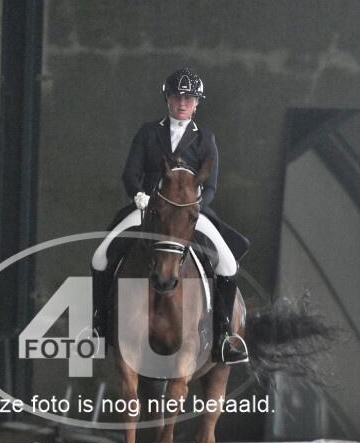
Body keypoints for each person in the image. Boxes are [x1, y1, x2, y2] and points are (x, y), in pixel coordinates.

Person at [91, 67, 249, 365]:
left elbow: (211, 187)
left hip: (189, 214)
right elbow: (130, 174)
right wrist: (138, 195)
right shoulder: (148, 132)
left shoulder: (205, 139)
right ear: (167, 99)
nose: (182, 103)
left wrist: (194, 207)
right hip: (149, 209)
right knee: (100, 256)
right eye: (177, 97)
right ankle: (98, 327)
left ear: (197, 103)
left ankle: (223, 336)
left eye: (189, 98)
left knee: (228, 264)